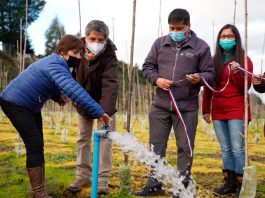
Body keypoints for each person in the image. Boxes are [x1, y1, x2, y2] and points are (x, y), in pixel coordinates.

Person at [0, 35, 112, 198]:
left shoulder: (56, 63)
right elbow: (74, 90)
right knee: (34, 144)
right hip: (15, 103)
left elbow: (49, 84)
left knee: (37, 144)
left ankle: (37, 190)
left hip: (30, 104)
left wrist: (58, 97)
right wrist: (99, 112)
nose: (79, 57)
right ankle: (39, 193)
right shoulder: (55, 64)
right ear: (63, 51)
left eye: (81, 53)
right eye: (76, 53)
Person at [135, 8, 215, 197]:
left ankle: (182, 186)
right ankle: (154, 183)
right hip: (160, 105)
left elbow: (210, 74)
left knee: (185, 147)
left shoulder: (201, 47)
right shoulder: (159, 43)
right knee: (156, 145)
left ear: (188, 25)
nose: (175, 32)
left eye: (180, 28)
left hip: (186, 107)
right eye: (172, 28)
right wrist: (157, 80)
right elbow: (147, 67)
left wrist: (199, 77)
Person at [67, 20, 118, 195]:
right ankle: (83, 176)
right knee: (83, 139)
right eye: (92, 39)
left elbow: (110, 85)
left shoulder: (110, 56)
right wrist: (73, 96)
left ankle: (102, 181)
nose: (96, 43)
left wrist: (105, 112)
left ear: (106, 40)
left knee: (105, 140)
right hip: (82, 101)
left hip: (104, 104)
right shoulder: (76, 49)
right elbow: (67, 73)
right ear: (86, 37)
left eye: (100, 40)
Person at [202, 24, 253, 197]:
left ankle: (241, 185)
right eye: (222, 36)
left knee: (238, 148)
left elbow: (244, 88)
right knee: (225, 148)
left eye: (229, 36)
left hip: (237, 109)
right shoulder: (213, 60)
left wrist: (237, 72)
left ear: (236, 38)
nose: (225, 39)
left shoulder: (244, 60)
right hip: (218, 110)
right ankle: (229, 183)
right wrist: (205, 110)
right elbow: (208, 87)